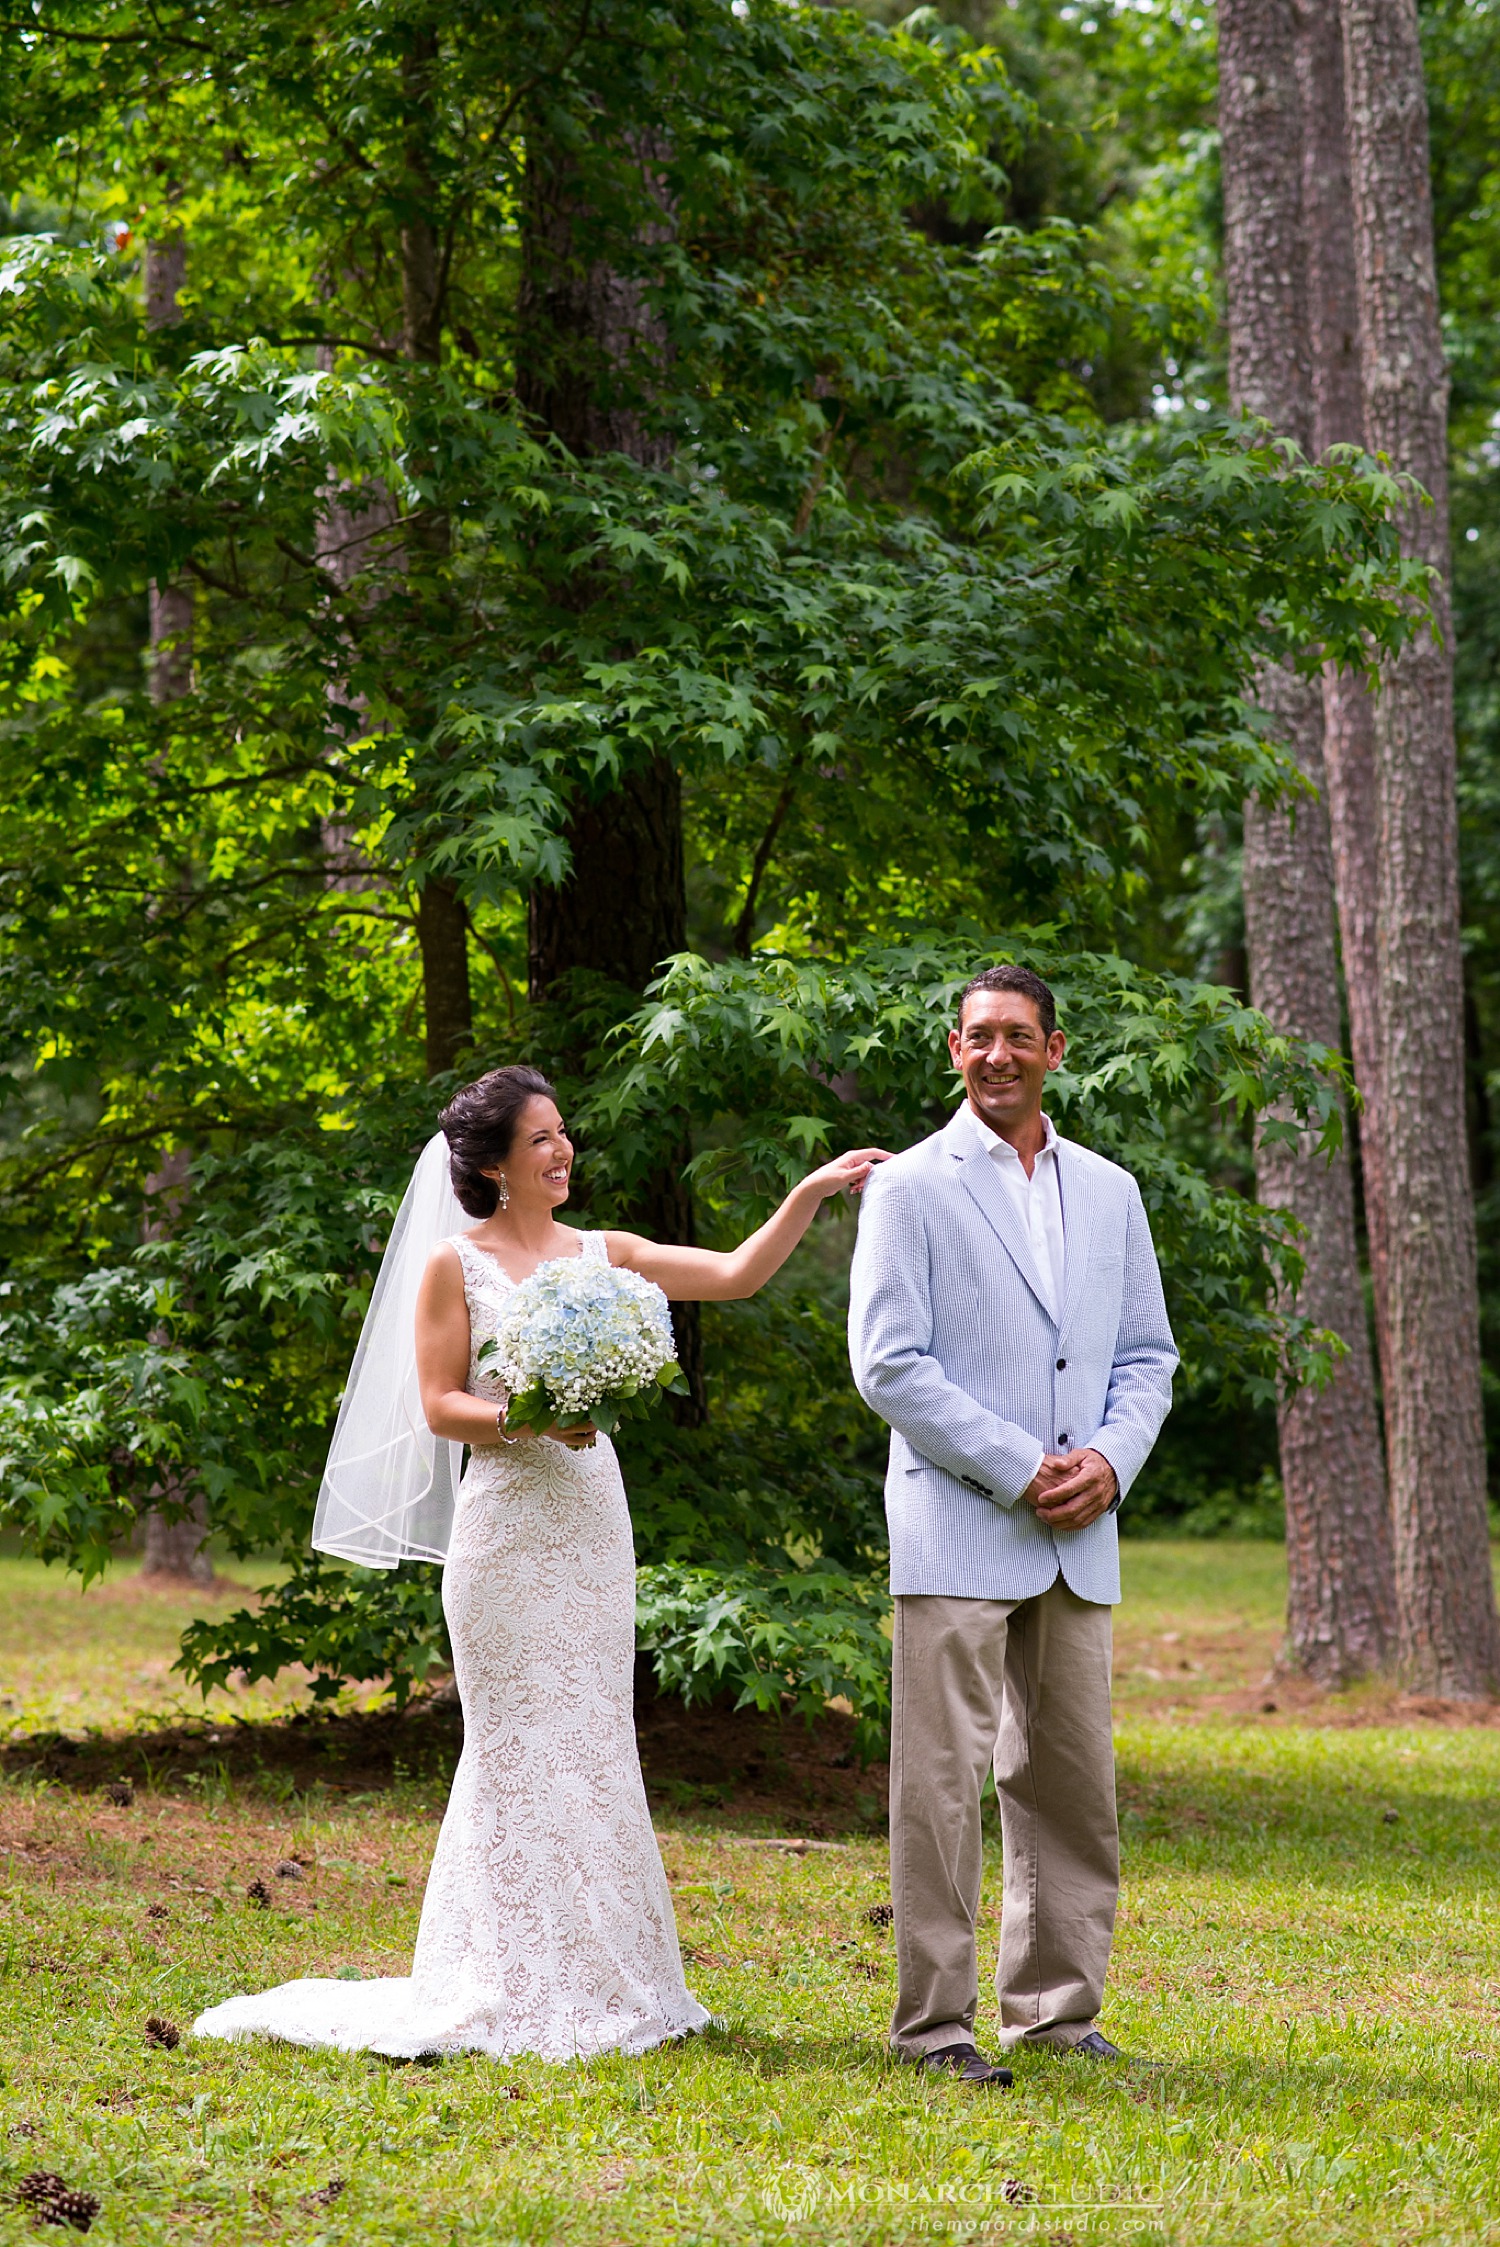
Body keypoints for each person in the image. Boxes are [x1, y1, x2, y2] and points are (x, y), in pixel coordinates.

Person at [194, 1064, 887, 2065]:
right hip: (505, 1530)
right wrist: (533, 1418)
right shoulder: (454, 1265)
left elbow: (736, 1274)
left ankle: (611, 1976)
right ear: (491, 1165)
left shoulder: (603, 1255)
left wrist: (810, 1193)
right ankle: (509, 1977)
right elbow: (439, 1406)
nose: (563, 1153)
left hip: (592, 1523)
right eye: (541, 1141)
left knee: (595, 1739)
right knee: (518, 1745)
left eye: (564, 1135)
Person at [848, 965, 1176, 2086]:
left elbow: (1147, 1357)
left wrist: (1111, 1463)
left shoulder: (1112, 1190)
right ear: (953, 1050)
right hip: (958, 1519)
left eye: (1019, 1037)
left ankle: (1059, 2009)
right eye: (980, 1037)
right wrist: (1017, 1466)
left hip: (1081, 1531)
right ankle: (935, 2027)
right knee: (939, 1787)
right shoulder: (909, 1189)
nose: (999, 1054)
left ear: (1056, 1050)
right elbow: (888, 1363)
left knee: (1071, 1782)